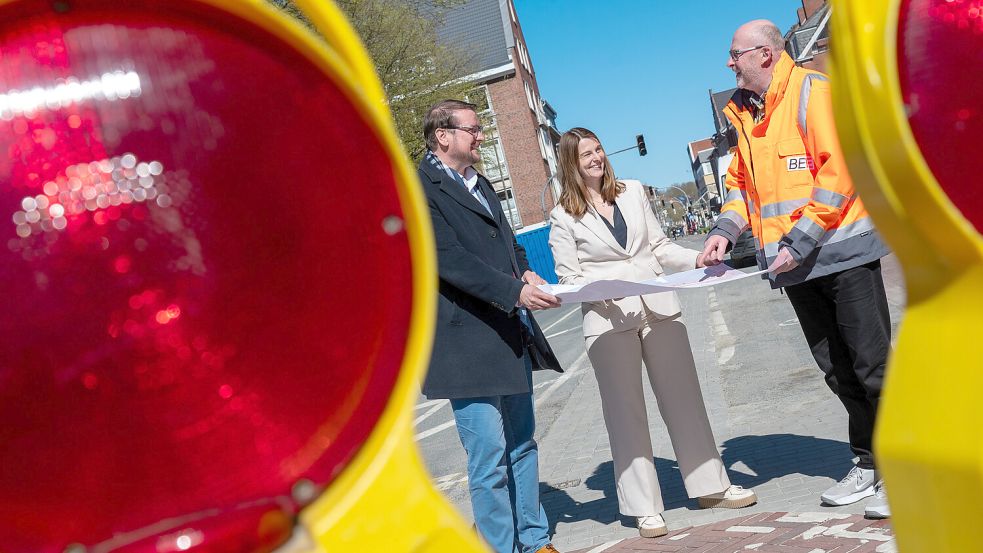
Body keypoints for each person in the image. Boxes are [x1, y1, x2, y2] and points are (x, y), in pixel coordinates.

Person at [699, 20, 893, 519]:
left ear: (765, 54)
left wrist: (798, 241)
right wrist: (723, 231)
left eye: (735, 53)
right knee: (837, 371)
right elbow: (742, 186)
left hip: (840, 254)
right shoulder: (742, 114)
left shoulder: (812, 91)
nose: (729, 62)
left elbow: (838, 172)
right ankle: (871, 462)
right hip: (796, 267)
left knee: (873, 366)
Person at [548, 127, 756, 539]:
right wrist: (598, 289)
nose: (596, 158)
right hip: (608, 323)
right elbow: (569, 277)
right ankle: (645, 508)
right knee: (626, 416)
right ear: (571, 164)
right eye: (585, 154)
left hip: (659, 310)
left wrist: (696, 259)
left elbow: (659, 248)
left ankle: (711, 487)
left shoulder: (633, 191)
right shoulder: (561, 215)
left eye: (598, 149)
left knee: (686, 401)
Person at [419, 99, 563, 553]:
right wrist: (513, 291)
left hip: (507, 331)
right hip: (466, 343)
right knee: (488, 460)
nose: (482, 137)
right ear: (443, 135)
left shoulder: (480, 183)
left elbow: (509, 244)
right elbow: (447, 259)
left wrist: (524, 272)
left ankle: (535, 540)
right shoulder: (418, 186)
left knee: (523, 445)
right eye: (473, 130)